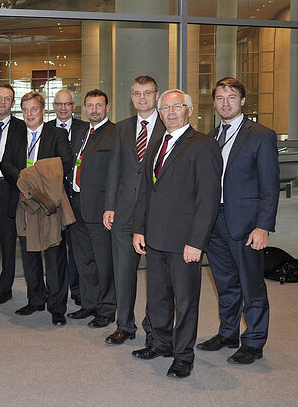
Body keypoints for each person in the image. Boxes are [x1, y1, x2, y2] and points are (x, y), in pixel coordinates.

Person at [132, 89, 222, 379]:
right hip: (155, 239)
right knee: (157, 297)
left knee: (185, 302)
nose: (171, 112)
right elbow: (146, 191)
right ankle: (161, 343)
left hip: (185, 242)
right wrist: (138, 229)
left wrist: (197, 242)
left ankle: (183, 356)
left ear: (189, 111)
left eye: (177, 107)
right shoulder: (157, 143)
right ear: (160, 113)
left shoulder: (202, 145)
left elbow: (208, 200)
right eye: (166, 108)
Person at [197, 77, 279, 365]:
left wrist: (263, 226)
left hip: (245, 225)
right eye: (220, 98)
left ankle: (254, 342)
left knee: (251, 284)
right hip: (214, 223)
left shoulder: (260, 135)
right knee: (225, 283)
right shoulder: (209, 137)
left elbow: (270, 186)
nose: (225, 103)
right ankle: (228, 333)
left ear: (243, 101)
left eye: (231, 97)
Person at [1, 91, 73, 326]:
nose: (29, 114)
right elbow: (5, 164)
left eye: (34, 109)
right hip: (24, 203)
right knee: (30, 253)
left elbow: (64, 163)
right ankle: (35, 300)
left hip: (49, 204)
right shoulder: (16, 135)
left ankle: (57, 307)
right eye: (25, 110)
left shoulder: (57, 134)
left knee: (54, 257)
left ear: (43, 111)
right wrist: (25, 179)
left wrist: (31, 176)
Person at [102, 76, 164, 346]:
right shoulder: (123, 128)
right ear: (131, 97)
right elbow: (114, 169)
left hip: (156, 214)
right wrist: (109, 206)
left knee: (157, 277)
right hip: (124, 213)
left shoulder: (168, 126)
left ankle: (153, 327)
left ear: (156, 95)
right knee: (123, 272)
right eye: (137, 93)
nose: (142, 98)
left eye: (147, 93)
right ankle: (125, 326)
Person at [67, 89, 117, 329]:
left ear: (107, 108)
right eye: (90, 106)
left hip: (100, 209)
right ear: (84, 108)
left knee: (103, 261)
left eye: (99, 105)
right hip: (76, 205)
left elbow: (117, 174)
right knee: (83, 259)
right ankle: (89, 304)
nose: (94, 110)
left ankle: (107, 309)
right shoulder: (81, 132)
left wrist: (111, 206)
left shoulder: (115, 133)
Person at [46, 88, 87, 306]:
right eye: (59, 104)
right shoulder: (45, 130)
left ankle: (78, 288)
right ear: (54, 106)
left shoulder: (85, 128)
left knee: (77, 247)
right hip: (53, 198)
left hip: (77, 196)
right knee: (55, 247)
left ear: (74, 106)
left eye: (68, 104)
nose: (63, 108)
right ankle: (55, 290)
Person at [0, 84, 25, 304]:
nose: (2, 102)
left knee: (9, 243)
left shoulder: (21, 128)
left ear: (12, 102)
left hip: (9, 189)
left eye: (7, 98)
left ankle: (4, 287)